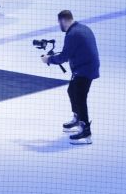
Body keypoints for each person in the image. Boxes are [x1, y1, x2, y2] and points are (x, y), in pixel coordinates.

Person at [42, 10, 100, 145]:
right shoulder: (81, 28)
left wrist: (48, 59)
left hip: (84, 70)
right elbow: (71, 52)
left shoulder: (72, 34)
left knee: (80, 97)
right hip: (87, 66)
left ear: (63, 21)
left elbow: (63, 57)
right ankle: (77, 117)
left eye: (59, 23)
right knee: (71, 91)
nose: (59, 26)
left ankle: (86, 132)